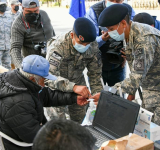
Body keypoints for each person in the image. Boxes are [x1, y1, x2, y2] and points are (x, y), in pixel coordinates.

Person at [0, 55, 89, 150]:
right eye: (43, 78)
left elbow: (47, 96)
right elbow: (32, 135)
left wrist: (74, 98)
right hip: (22, 145)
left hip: (33, 132)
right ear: (32, 78)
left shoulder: (23, 82)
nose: (45, 82)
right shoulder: (17, 102)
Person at [97, 4, 160, 125]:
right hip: (150, 87)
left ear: (123, 24)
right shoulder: (129, 33)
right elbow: (136, 69)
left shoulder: (144, 39)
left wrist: (109, 92)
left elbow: (136, 77)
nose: (109, 33)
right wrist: (131, 95)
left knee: (155, 132)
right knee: (146, 129)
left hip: (156, 89)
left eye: (111, 29)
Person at [46, 17, 102, 123]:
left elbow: (95, 73)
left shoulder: (93, 45)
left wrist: (97, 93)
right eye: (81, 43)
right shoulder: (58, 47)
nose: (85, 46)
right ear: (72, 35)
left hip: (78, 85)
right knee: (59, 125)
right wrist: (73, 87)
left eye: (87, 44)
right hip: (57, 89)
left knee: (80, 120)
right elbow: (48, 77)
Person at [85, 0, 135, 86]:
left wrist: (128, 54)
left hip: (118, 65)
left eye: (118, 0)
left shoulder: (129, 10)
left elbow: (133, 37)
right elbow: (87, 42)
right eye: (112, 0)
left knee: (118, 96)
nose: (115, 2)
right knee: (98, 96)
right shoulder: (94, 11)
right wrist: (102, 39)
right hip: (97, 66)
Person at [10, 0, 55, 69]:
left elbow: (52, 33)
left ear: (39, 8)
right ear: (22, 8)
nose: (33, 14)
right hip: (33, 66)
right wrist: (22, 68)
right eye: (29, 12)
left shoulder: (44, 14)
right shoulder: (18, 25)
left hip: (52, 61)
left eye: (35, 11)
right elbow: (15, 49)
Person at [0, 0, 12, 70]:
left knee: (7, 66)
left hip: (7, 46)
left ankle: (7, 80)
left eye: (4, 5)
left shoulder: (9, 17)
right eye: (1, 5)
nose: (3, 7)